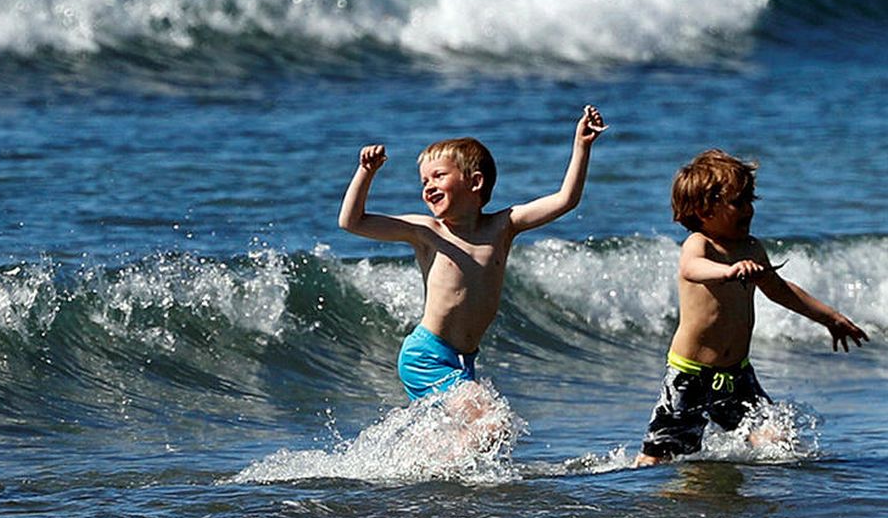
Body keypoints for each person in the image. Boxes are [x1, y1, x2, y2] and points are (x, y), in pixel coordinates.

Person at [338, 105, 607, 403]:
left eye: (438, 176)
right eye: (424, 181)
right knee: (491, 423)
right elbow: (352, 222)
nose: (428, 186)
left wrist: (582, 146)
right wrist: (366, 172)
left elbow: (566, 199)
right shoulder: (427, 232)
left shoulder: (503, 226)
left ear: (475, 182)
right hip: (426, 355)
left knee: (467, 435)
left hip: (464, 360)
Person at [634, 149, 867, 465]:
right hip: (691, 376)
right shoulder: (700, 245)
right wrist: (727, 272)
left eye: (750, 200)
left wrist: (830, 318)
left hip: (737, 374)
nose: (748, 209)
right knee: (660, 458)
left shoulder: (752, 247)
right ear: (705, 210)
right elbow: (691, 269)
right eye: (737, 202)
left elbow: (780, 290)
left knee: (777, 441)